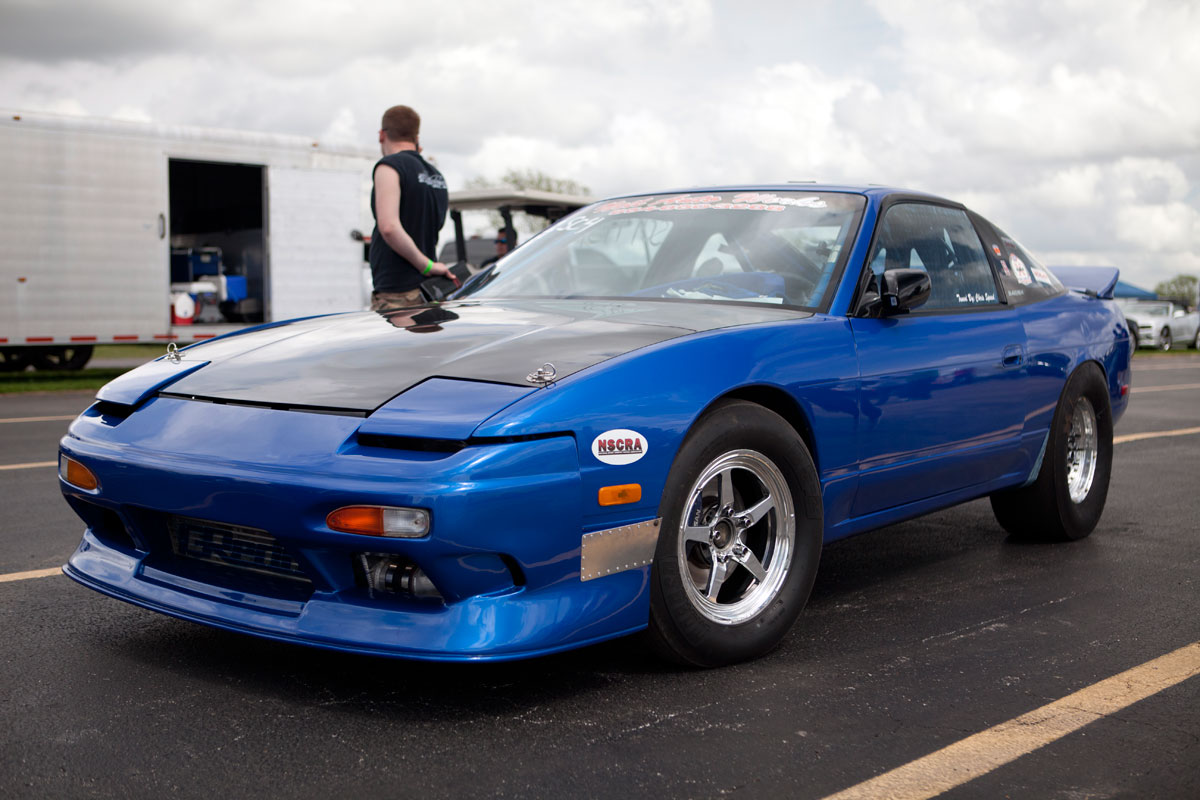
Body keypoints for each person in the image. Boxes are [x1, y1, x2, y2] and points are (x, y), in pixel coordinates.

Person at [368, 105, 453, 312]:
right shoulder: (436, 176)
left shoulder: (389, 167)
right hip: (428, 291)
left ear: (382, 135)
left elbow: (389, 227)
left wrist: (426, 265)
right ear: (416, 137)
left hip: (397, 293)